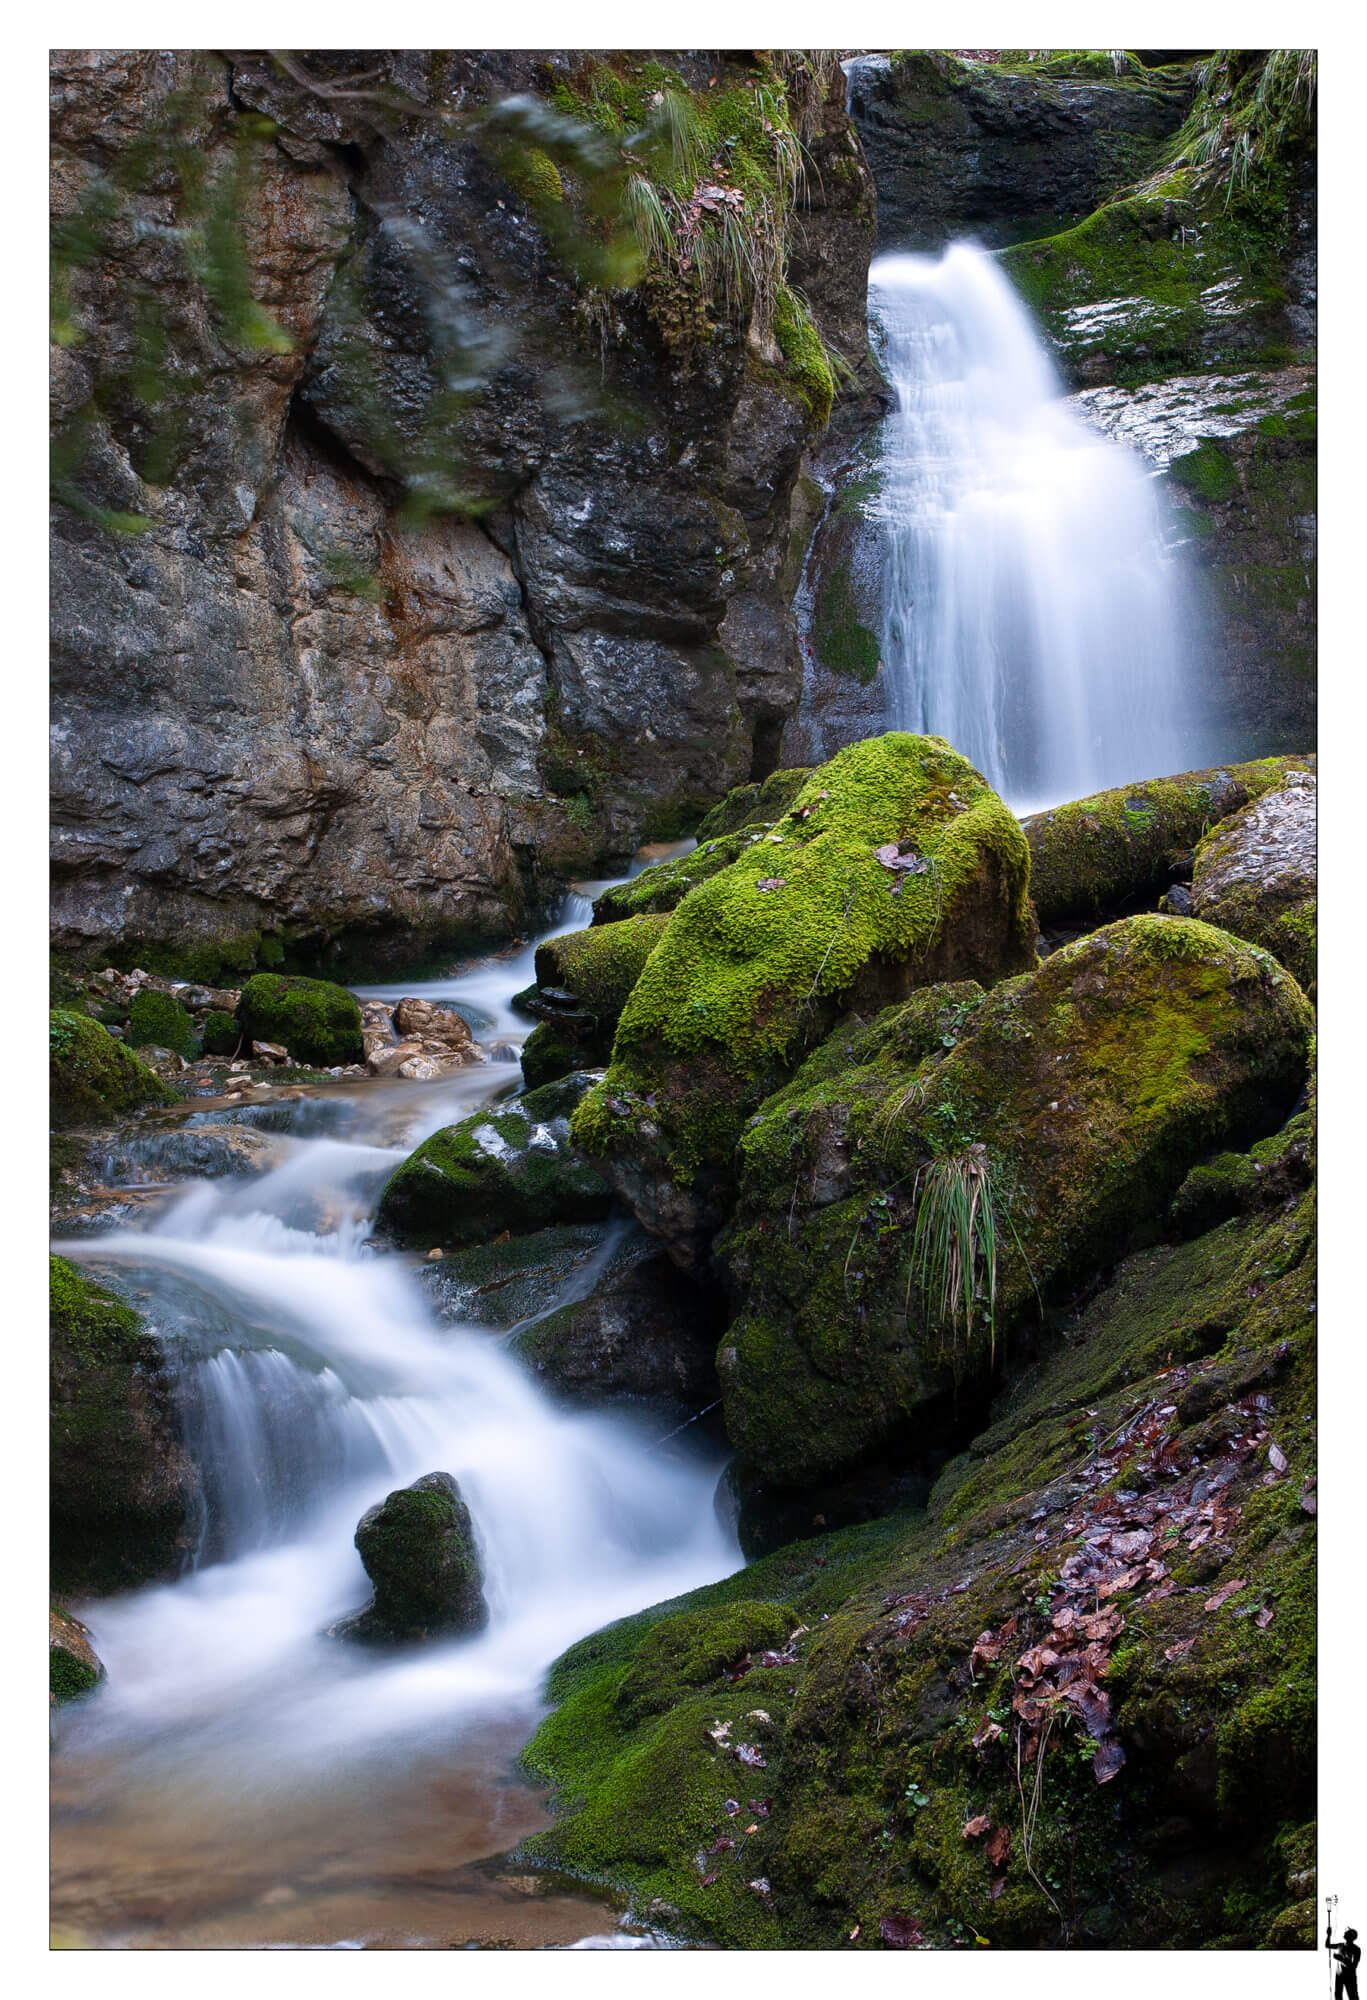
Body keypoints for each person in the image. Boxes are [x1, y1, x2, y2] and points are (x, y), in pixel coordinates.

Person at [1327, 1922, 1360, 2000]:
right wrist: (1328, 1935)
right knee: (1338, 1995)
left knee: (1353, 1996)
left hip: (1349, 1976)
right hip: (1339, 1975)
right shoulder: (1340, 1945)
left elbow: (1354, 1966)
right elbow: (1327, 1945)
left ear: (1350, 1936)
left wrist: (1341, 1959)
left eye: (1347, 1932)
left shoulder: (1356, 1949)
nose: (1345, 1932)